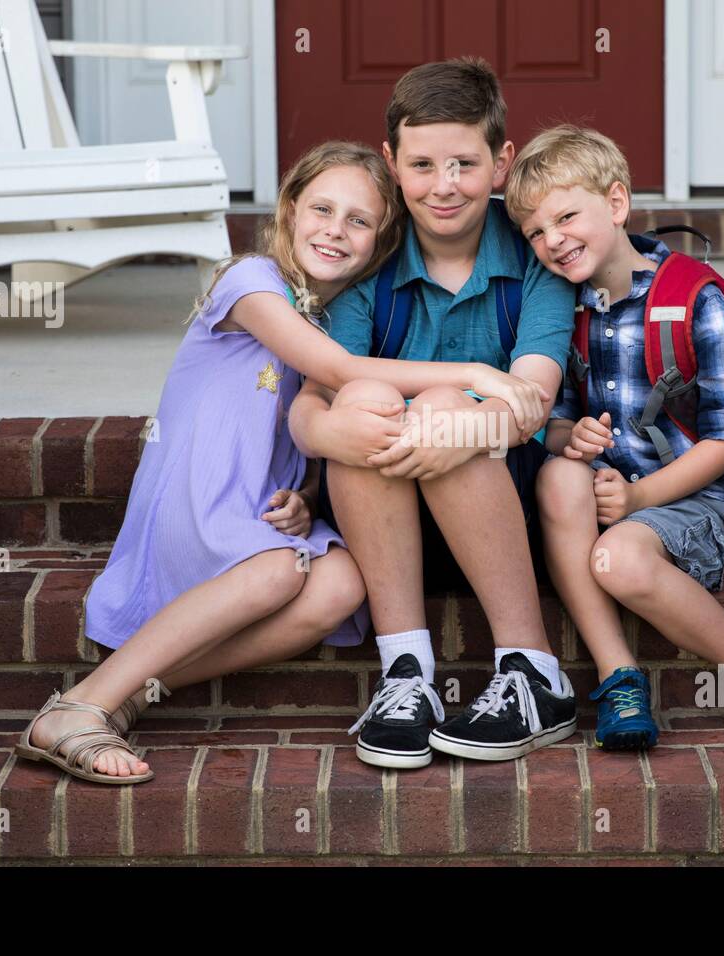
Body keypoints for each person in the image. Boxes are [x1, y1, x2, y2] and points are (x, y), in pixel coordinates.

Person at [15, 140, 550, 784]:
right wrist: (476, 373)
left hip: (258, 511)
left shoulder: (326, 314)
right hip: (198, 507)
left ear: (379, 242)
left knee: (342, 584)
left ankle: (122, 693)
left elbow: (309, 424)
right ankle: (84, 703)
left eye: (359, 221)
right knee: (276, 572)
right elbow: (338, 371)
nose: (335, 230)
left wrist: (307, 496)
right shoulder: (250, 283)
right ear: (290, 208)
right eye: (322, 209)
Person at [289, 58, 579, 769]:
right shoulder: (370, 267)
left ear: (501, 162)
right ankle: (406, 673)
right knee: (361, 400)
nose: (443, 185)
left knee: (450, 405)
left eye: (464, 163)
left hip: (500, 511)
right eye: (422, 165)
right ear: (392, 163)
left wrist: (452, 424)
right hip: (385, 520)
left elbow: (532, 394)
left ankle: (533, 670)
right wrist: (332, 430)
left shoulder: (535, 259)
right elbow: (311, 403)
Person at [506, 125, 724, 751]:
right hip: (609, 497)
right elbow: (554, 417)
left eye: (567, 216)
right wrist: (572, 435)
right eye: (536, 233)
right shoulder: (567, 308)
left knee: (618, 559)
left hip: (695, 502)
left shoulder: (694, 301)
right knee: (555, 473)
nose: (553, 240)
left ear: (617, 203)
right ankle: (618, 676)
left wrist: (637, 498)